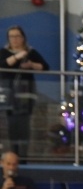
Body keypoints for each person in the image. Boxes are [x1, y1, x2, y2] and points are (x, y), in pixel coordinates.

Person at [0, 25, 49, 158]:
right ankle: (13, 153)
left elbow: (45, 67)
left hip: (26, 93)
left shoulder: (30, 52)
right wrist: (16, 57)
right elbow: (2, 64)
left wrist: (31, 65)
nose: (14, 39)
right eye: (11, 36)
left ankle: (23, 156)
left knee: (24, 124)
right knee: (12, 124)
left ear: (23, 38)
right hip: (9, 92)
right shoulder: (4, 52)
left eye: (17, 36)